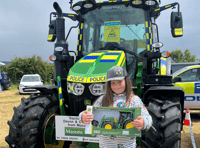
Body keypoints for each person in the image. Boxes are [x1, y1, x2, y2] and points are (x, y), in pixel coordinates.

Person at [79, 66, 152, 148]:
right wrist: (83, 116)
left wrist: (144, 122)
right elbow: (89, 114)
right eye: (112, 83)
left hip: (127, 146)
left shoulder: (134, 100)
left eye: (119, 82)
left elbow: (148, 118)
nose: (116, 85)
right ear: (109, 85)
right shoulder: (102, 100)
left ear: (126, 81)